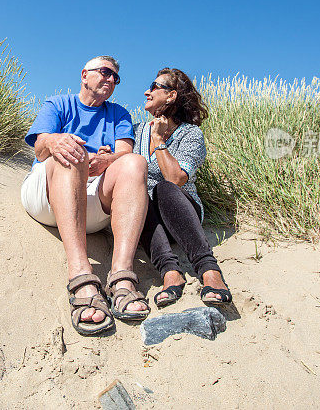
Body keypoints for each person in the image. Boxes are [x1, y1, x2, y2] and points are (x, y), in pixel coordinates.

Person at [21, 55, 151, 336]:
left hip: (93, 203)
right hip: (46, 197)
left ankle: (122, 278)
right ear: (84, 75)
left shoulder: (119, 115)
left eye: (116, 77)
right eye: (105, 72)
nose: (110, 79)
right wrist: (57, 140)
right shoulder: (57, 104)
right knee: (70, 151)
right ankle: (81, 274)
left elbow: (125, 153)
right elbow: (40, 148)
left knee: (136, 163)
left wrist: (108, 160)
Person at [134, 68, 232, 308]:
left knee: (164, 188)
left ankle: (209, 270)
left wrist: (158, 141)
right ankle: (170, 272)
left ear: (171, 96)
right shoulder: (136, 131)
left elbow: (177, 179)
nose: (148, 91)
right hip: (147, 220)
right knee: (138, 195)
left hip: (181, 213)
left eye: (155, 86)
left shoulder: (191, 134)